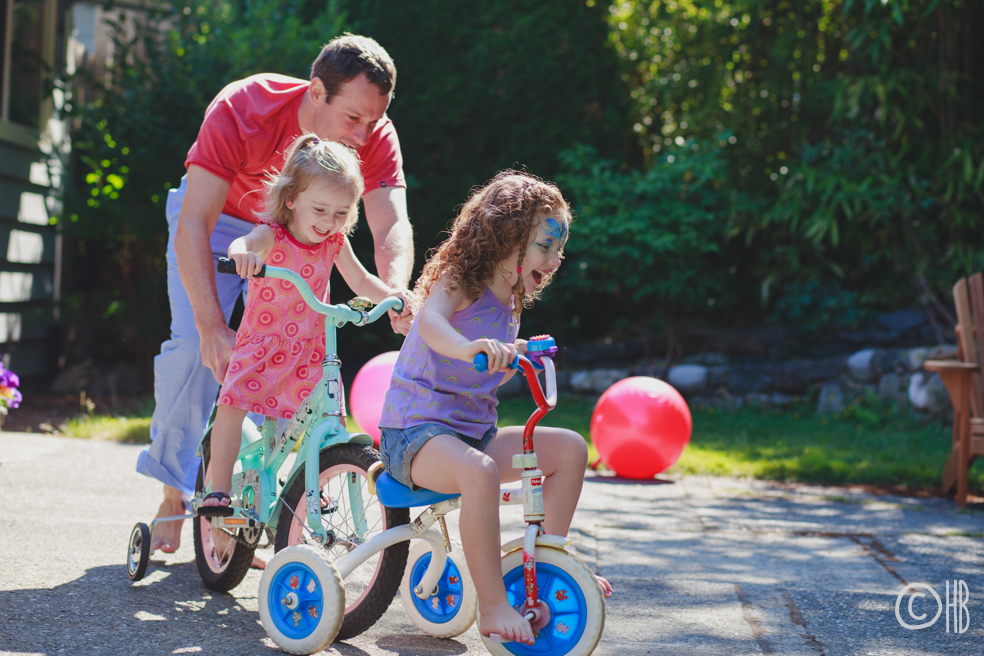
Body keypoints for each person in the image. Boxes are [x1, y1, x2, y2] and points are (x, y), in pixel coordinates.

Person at [137, 34, 414, 559]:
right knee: (197, 353)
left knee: (294, 365)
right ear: (316, 92)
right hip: (225, 227)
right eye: (353, 119)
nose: (364, 134)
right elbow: (195, 220)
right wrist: (212, 326)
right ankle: (175, 493)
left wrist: (395, 293)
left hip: (310, 234)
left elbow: (390, 224)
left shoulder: (373, 131)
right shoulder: (245, 106)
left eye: (374, 121)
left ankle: (262, 504)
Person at [378, 171, 612, 645]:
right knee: (480, 472)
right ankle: (492, 604)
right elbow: (431, 324)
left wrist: (515, 353)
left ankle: (549, 563)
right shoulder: (460, 279)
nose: (556, 258)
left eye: (559, 248)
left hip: (471, 434)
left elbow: (489, 370)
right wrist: (469, 348)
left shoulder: (512, 299)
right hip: (414, 433)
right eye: (547, 244)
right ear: (510, 235)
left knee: (569, 450)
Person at [203, 135, 411, 508]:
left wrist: (394, 297)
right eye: (320, 210)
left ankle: (317, 484)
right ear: (291, 199)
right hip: (262, 342)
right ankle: (218, 489)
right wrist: (244, 258)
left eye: (341, 213)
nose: (330, 222)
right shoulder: (274, 234)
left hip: (311, 347)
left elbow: (362, 281)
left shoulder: (334, 243)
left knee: (326, 415)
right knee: (232, 404)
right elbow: (243, 244)